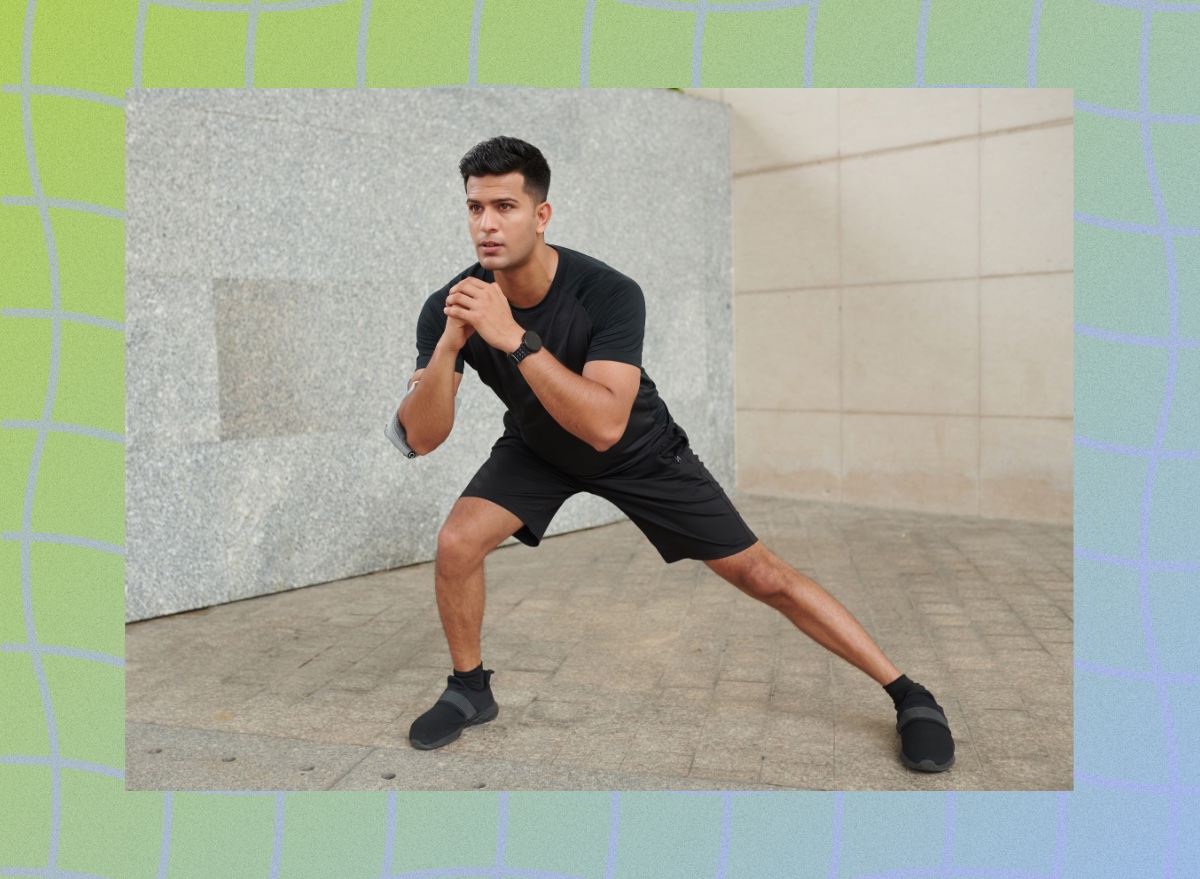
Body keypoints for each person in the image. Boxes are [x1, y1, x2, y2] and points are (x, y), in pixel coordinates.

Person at [393, 135, 954, 772]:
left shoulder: (608, 292)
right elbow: (421, 437)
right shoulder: (454, 303)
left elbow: (606, 425)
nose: (487, 224)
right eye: (474, 208)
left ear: (541, 214)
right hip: (538, 445)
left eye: (505, 206)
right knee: (457, 542)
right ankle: (470, 690)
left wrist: (515, 340)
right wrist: (448, 346)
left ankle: (909, 694)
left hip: (637, 449)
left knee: (762, 575)